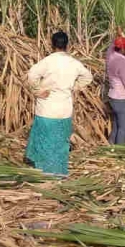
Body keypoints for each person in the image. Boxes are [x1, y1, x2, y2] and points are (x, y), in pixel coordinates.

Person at [25, 31, 93, 176]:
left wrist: (38, 90)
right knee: (61, 142)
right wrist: (74, 88)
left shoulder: (48, 61)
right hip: (64, 108)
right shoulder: (73, 63)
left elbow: (32, 75)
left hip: (47, 107)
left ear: (52, 44)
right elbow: (88, 77)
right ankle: (58, 172)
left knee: (45, 141)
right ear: (67, 45)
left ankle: (43, 173)